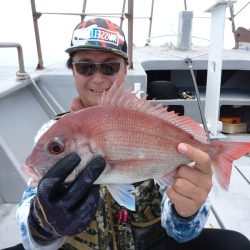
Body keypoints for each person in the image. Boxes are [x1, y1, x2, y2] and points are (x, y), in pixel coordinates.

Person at [13, 18, 250, 250]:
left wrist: (186, 212)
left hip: (149, 243)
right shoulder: (52, 133)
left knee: (237, 244)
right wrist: (41, 224)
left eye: (109, 66)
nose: (97, 78)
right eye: (84, 66)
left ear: (126, 69)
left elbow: (181, 233)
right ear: (73, 71)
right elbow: (30, 228)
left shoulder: (147, 121)